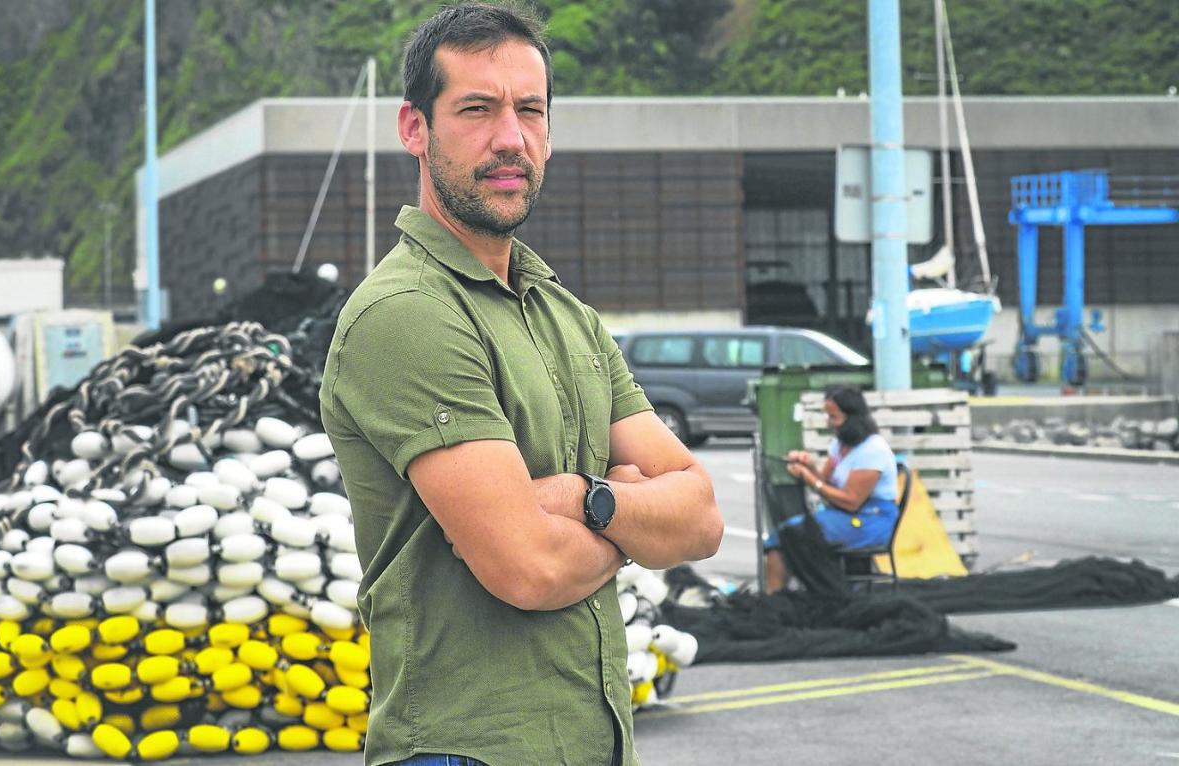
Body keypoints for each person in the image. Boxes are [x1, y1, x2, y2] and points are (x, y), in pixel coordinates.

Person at [317, 4, 724, 765]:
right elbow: (527, 567)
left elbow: (700, 516)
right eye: (476, 109)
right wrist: (634, 518)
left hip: (587, 741)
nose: (511, 138)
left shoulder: (565, 314)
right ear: (415, 128)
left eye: (529, 110)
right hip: (468, 749)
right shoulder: (409, 314)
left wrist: (586, 499)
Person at [763, 384, 899, 594]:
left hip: (870, 520)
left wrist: (811, 480)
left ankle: (813, 594)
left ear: (852, 417)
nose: (829, 423)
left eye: (833, 417)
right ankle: (773, 597)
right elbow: (826, 483)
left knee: (797, 534)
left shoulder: (873, 450)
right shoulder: (839, 444)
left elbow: (852, 500)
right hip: (842, 514)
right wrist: (808, 466)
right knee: (783, 536)